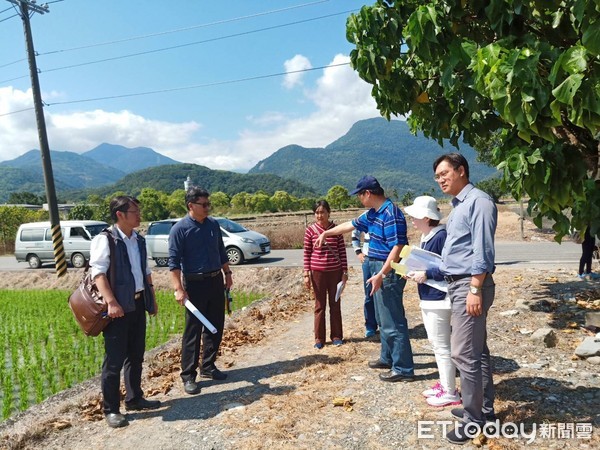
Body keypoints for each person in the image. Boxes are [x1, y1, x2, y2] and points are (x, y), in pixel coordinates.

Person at [315, 176, 414, 382]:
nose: (359, 199)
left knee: (393, 320)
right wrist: (327, 233)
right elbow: (349, 225)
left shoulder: (391, 213)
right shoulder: (373, 214)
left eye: (360, 195)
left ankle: (403, 368)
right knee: (382, 318)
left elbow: (397, 248)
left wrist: (381, 274)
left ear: (368, 193)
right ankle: (387, 357)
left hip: (387, 270)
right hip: (376, 266)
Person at [427, 153, 497, 444]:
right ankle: (484, 410)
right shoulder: (458, 206)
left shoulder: (478, 202)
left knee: (463, 355)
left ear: (461, 170)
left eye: (444, 173)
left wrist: (474, 288)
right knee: (477, 352)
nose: (440, 180)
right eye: (437, 177)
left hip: (469, 286)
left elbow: (482, 250)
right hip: (458, 284)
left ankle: (472, 420)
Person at [89, 195, 160, 428]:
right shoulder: (105, 240)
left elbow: (145, 271)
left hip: (137, 304)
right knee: (114, 361)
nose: (139, 215)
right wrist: (111, 303)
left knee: (136, 355)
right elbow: (98, 274)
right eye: (135, 211)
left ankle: (134, 398)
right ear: (120, 214)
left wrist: (152, 298)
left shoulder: (138, 239)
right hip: (117, 309)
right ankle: (111, 409)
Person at [168, 187, 233, 395]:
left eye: (208, 204)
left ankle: (208, 365)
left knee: (215, 325)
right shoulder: (180, 229)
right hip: (195, 285)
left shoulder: (213, 225)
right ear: (191, 206)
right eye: (203, 205)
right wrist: (178, 288)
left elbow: (221, 251)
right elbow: (174, 262)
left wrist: (228, 273)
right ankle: (188, 375)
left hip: (215, 281)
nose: (207, 208)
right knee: (193, 330)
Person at [404, 196, 460, 407]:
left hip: (439, 297)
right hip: (429, 296)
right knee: (436, 344)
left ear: (427, 218)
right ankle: (445, 384)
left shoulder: (441, 237)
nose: (412, 219)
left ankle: (450, 391)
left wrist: (426, 273)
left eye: (415, 216)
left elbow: (448, 266)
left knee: (441, 346)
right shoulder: (427, 235)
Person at [303, 200, 348, 348]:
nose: (319, 215)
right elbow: (307, 253)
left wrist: (344, 272)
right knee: (319, 306)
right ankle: (319, 339)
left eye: (322, 212)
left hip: (335, 273)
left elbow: (342, 252)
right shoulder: (310, 231)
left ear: (328, 212)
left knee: (335, 305)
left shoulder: (336, 230)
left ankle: (336, 336)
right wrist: (306, 274)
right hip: (317, 274)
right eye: (316, 212)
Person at [351, 228, 378, 338]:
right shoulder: (365, 217)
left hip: (384, 259)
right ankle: (370, 326)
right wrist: (358, 251)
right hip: (367, 259)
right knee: (369, 293)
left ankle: (386, 324)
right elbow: (355, 233)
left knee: (385, 293)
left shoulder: (387, 213)